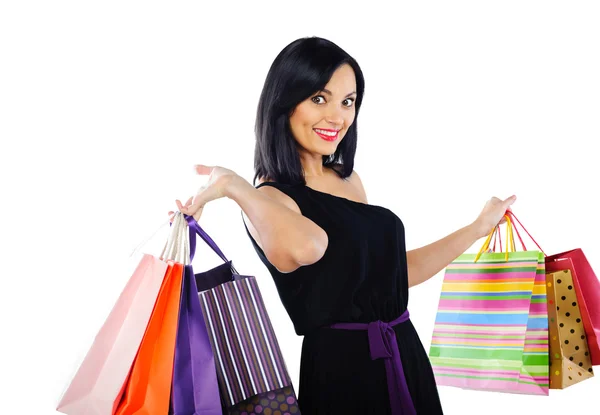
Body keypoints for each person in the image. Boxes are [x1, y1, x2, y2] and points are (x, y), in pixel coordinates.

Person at [172, 37, 516, 415]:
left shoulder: (349, 181)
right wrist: (236, 186)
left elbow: (395, 272)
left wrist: (477, 228)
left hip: (403, 350)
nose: (337, 116)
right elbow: (309, 247)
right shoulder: (268, 198)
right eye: (320, 98)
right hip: (344, 371)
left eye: (347, 101)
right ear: (284, 103)